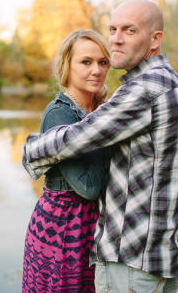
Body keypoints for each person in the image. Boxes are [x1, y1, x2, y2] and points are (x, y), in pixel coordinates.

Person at [22, 0, 178, 293]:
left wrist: (32, 148)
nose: (116, 38)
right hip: (151, 256)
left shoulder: (145, 89)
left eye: (129, 30)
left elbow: (82, 136)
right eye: (113, 29)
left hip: (133, 259)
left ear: (155, 39)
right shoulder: (169, 81)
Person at [22, 29, 111, 293]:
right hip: (63, 226)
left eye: (102, 62)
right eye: (86, 62)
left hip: (92, 224)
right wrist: (102, 131)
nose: (96, 70)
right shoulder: (59, 114)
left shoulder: (101, 108)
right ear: (67, 66)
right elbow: (88, 187)